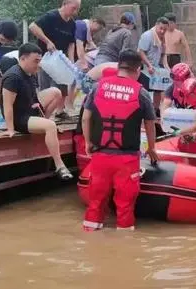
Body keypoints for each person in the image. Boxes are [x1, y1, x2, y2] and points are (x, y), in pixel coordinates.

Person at [81, 49, 159, 231]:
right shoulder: (141, 92)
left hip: (100, 156)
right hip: (127, 159)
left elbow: (86, 118)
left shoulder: (98, 86)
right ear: (138, 69)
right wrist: (152, 148)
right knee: (125, 205)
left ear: (118, 65)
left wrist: (88, 142)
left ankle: (90, 234)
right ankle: (124, 245)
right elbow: (150, 124)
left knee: (96, 201)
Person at [0, 43, 73, 180]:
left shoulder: (30, 74)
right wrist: (10, 129)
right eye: (35, 61)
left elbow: (35, 98)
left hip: (29, 109)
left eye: (39, 61)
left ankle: (43, 123)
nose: (38, 65)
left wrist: (42, 118)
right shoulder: (12, 77)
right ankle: (60, 165)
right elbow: (7, 105)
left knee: (56, 92)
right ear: (22, 59)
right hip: (19, 118)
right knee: (50, 126)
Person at [29, 0, 80, 118]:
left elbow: (71, 44)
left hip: (60, 58)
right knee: (46, 85)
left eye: (77, 9)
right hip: (46, 58)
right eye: (74, 8)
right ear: (65, 3)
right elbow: (32, 26)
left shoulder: (72, 23)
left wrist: (71, 62)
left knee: (62, 84)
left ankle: (60, 111)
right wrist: (47, 41)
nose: (75, 12)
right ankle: (43, 111)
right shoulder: (51, 16)